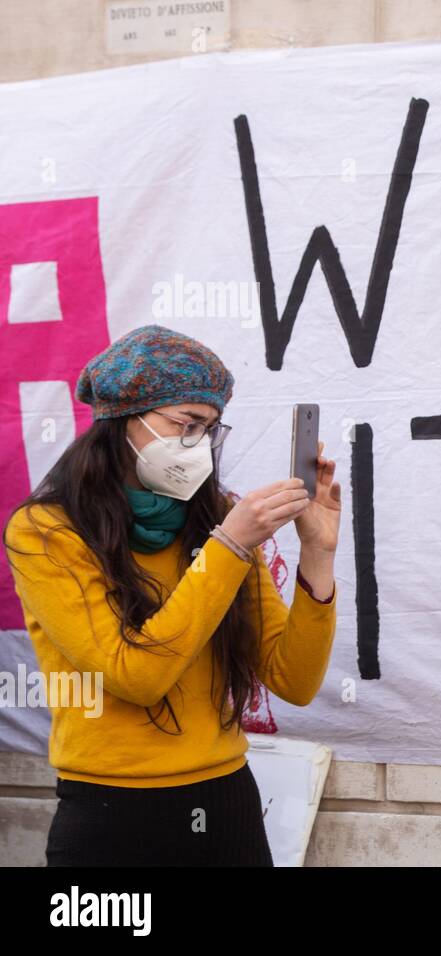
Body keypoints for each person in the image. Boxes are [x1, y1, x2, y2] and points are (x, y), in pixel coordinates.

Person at [3, 323, 342, 866]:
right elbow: (135, 675)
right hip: (110, 815)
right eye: (186, 424)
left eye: (210, 429)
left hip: (224, 802)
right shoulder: (47, 531)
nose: (200, 445)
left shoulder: (215, 518)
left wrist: (318, 556)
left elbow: (294, 681)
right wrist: (228, 545)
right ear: (122, 420)